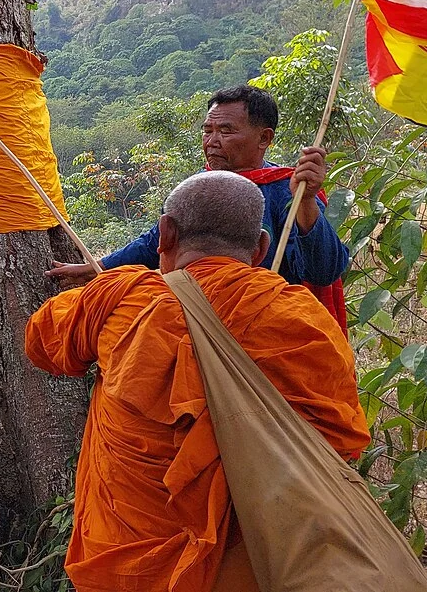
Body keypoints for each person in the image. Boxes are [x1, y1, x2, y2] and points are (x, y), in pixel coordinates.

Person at [25, 171, 370, 591]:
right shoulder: (299, 317)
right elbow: (337, 441)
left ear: (164, 234)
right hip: (261, 561)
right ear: (261, 247)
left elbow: (42, 343)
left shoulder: (118, 300)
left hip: (132, 560)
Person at [47, 85, 351, 330]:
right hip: (200, 329)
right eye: (208, 131)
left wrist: (308, 200)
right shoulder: (202, 186)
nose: (212, 141)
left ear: (264, 138)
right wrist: (96, 269)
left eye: (226, 131)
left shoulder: (288, 191)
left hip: (270, 332)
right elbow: (156, 242)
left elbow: (323, 270)